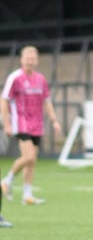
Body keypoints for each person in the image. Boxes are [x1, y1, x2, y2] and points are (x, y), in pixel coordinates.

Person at [0, 46, 61, 205]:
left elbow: (46, 102)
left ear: (37, 60)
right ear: (22, 59)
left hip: (37, 125)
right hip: (21, 123)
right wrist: (6, 123)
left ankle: (27, 195)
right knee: (29, 156)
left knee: (32, 161)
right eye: (28, 58)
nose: (30, 61)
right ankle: (6, 181)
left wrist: (54, 120)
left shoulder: (40, 79)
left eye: (33, 58)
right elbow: (4, 100)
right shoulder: (15, 78)